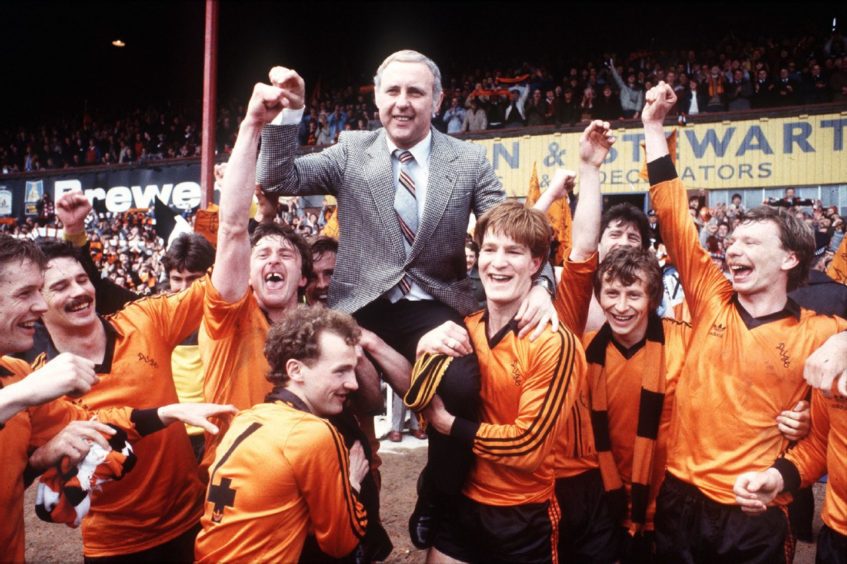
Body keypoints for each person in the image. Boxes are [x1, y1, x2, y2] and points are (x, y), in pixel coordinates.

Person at [255, 50, 558, 546]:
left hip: (432, 303)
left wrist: (542, 285)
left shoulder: (468, 160)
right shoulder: (352, 149)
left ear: (437, 101)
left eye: (415, 92)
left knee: (463, 384)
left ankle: (438, 493)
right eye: (392, 91)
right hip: (357, 304)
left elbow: (511, 227)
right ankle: (356, 515)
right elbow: (279, 179)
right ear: (376, 99)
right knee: (324, 396)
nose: (402, 102)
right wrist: (290, 112)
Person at [642, 81, 847, 563]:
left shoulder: (820, 333)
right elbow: (673, 214)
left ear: (790, 259)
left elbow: (817, 437)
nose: (733, 248)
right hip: (679, 497)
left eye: (752, 242)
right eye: (732, 240)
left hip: (752, 510)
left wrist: (781, 473)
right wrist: (653, 128)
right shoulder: (711, 295)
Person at [0, 234, 234, 563]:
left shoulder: (143, 321)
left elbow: (101, 426)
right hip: (114, 544)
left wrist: (165, 412)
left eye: (82, 279)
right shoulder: (36, 381)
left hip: (189, 519)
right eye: (54, 288)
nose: (79, 291)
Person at [412, 201, 583, 562]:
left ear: (536, 264)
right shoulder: (463, 327)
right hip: (460, 502)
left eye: (513, 251)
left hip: (520, 515)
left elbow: (527, 447)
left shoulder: (554, 342)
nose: (498, 262)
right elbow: (424, 407)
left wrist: (449, 425)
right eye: (489, 249)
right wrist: (421, 353)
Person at [194, 306, 370, 562]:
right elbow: (340, 542)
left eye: (353, 370)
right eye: (340, 371)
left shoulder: (245, 419)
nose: (353, 383)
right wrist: (352, 484)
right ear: (296, 370)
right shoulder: (313, 433)